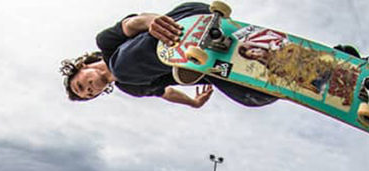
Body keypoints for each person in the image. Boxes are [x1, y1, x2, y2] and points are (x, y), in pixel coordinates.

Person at [62, 4, 287, 108]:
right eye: (88, 95)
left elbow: (133, 23)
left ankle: (190, 43)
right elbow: (166, 93)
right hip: (210, 63)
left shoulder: (105, 43)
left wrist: (153, 22)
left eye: (81, 86)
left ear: (82, 66)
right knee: (255, 98)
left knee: (121, 69)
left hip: (183, 23)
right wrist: (193, 102)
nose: (89, 90)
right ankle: (274, 62)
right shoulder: (132, 88)